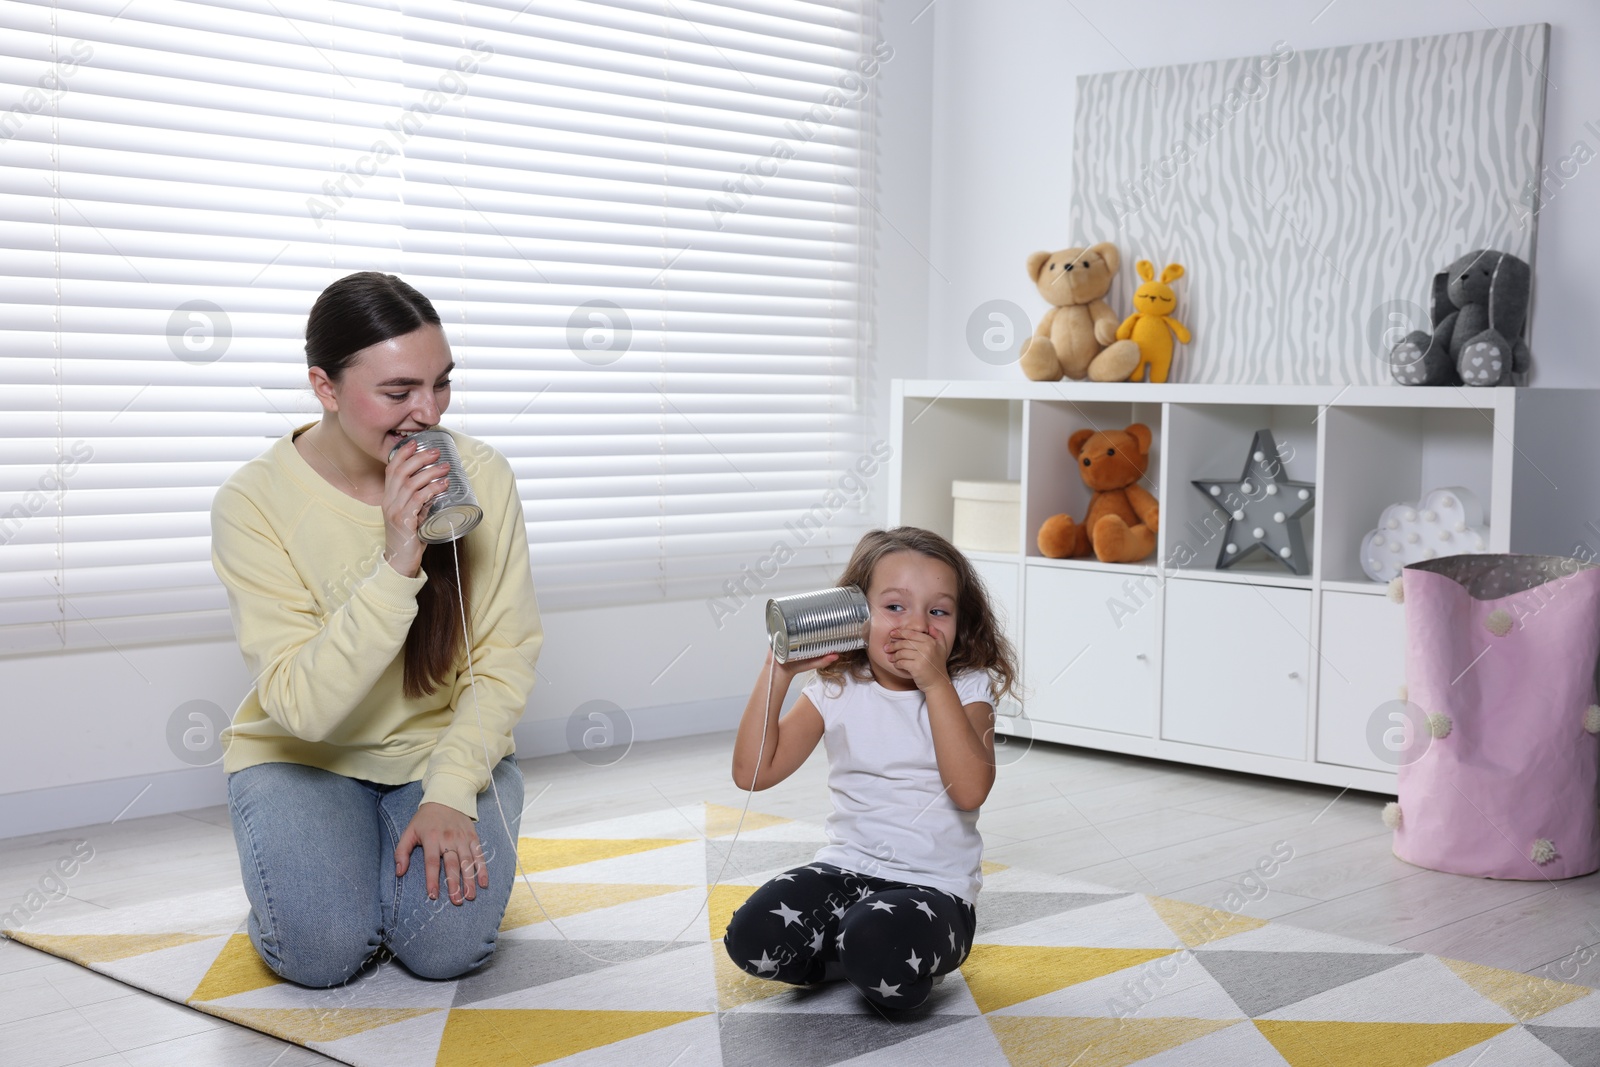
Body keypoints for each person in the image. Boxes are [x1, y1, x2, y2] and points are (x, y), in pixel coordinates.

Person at [209, 272, 543, 988]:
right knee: (322, 952)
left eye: (441, 384)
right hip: (305, 756)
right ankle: (308, 884)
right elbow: (303, 705)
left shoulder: (482, 474)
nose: (428, 412)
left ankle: (371, 860)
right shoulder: (252, 502)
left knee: (443, 948)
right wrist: (398, 558)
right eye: (398, 393)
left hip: (438, 752)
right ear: (325, 388)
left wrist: (452, 790)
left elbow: (504, 658)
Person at [724, 527, 1019, 1009]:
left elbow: (969, 791)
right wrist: (777, 672)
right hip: (845, 870)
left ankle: (869, 950)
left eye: (938, 611)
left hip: (934, 891)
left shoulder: (966, 686)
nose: (918, 626)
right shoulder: (838, 686)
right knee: (752, 937)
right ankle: (846, 955)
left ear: (960, 623)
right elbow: (753, 773)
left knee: (876, 941)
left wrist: (934, 681)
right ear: (858, 613)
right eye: (895, 607)